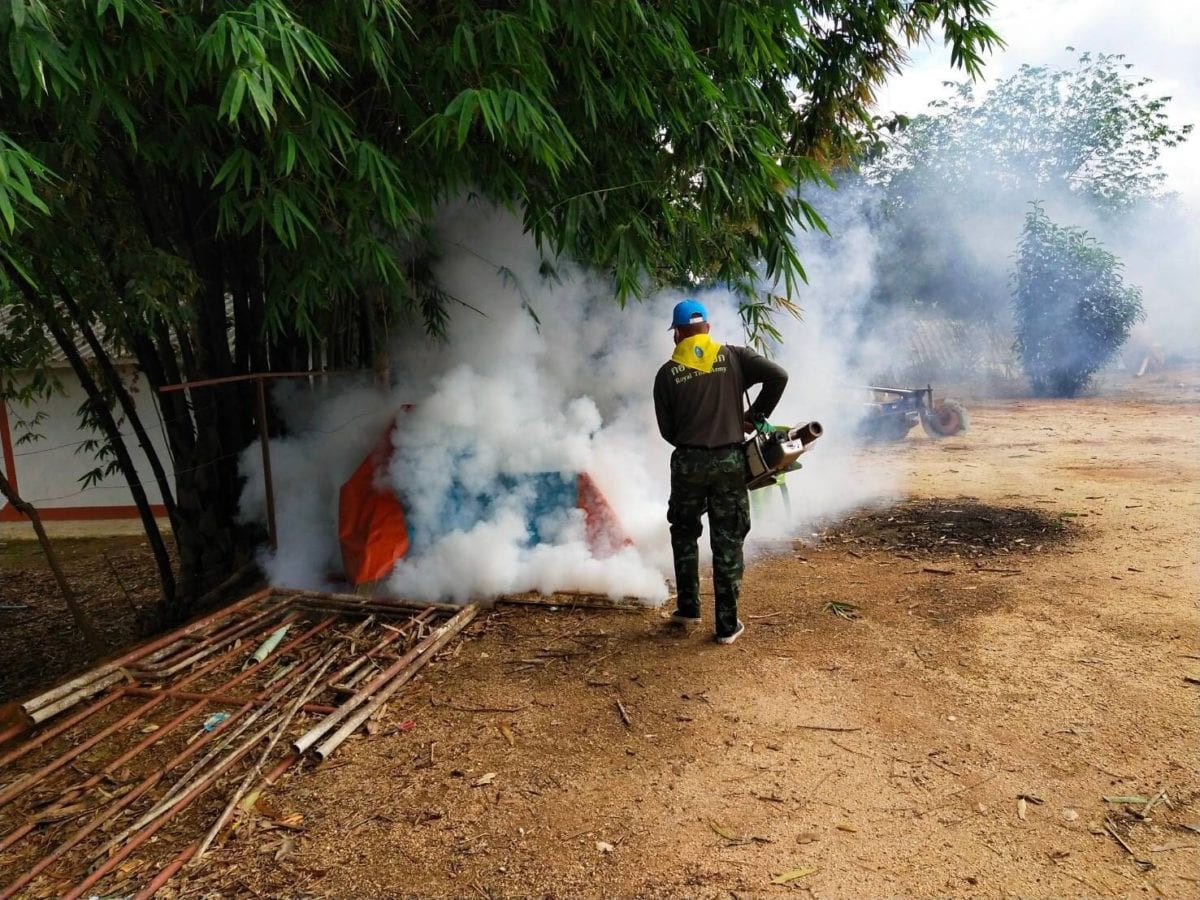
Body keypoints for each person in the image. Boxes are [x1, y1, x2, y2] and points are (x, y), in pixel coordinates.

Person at [652, 298, 788, 644]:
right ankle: (727, 626)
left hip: (687, 464)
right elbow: (778, 376)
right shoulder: (734, 357)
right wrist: (754, 417)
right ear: (708, 329)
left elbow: (667, 431)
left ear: (677, 334)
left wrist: (692, 439)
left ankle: (688, 610)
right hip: (729, 462)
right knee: (727, 539)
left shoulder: (667, 374)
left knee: (684, 533)